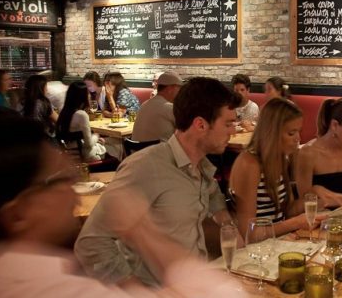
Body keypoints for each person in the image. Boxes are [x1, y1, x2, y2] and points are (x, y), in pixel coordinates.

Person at [0, 112, 248, 298]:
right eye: (61, 180)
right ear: (17, 215)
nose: (75, 195)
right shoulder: (52, 289)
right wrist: (142, 231)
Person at [75, 77, 242, 286]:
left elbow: (212, 196)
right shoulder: (146, 167)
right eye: (228, 123)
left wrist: (227, 225)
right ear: (200, 125)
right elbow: (91, 243)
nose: (234, 131)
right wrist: (135, 290)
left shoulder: (201, 166)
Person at [228, 98, 314, 237]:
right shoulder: (249, 164)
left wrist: (317, 199)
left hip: (279, 242)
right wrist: (295, 223)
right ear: (271, 132)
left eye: (299, 131)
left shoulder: (281, 158)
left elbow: (286, 211)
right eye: (291, 133)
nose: (298, 138)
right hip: (257, 252)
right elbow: (248, 233)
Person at [296, 98, 342, 208]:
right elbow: (304, 203)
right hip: (319, 219)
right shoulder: (308, 153)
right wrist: (341, 200)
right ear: (334, 125)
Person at [55, 81, 108, 162]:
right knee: (115, 148)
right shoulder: (81, 115)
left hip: (69, 156)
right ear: (82, 97)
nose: (90, 95)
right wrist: (96, 136)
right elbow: (89, 144)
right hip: (84, 157)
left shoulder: (64, 112)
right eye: (88, 93)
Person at [132, 71, 183, 142]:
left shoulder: (144, 104)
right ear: (170, 89)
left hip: (137, 151)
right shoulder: (169, 108)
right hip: (159, 152)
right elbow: (185, 130)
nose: (180, 92)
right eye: (179, 88)